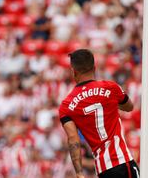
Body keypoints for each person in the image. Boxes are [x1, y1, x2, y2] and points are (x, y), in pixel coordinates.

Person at [59, 49, 140, 178]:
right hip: (122, 161)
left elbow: (73, 140)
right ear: (94, 68)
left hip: (103, 170)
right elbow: (129, 107)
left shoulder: (66, 105)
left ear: (73, 72)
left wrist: (79, 173)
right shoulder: (111, 87)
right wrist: (108, 102)